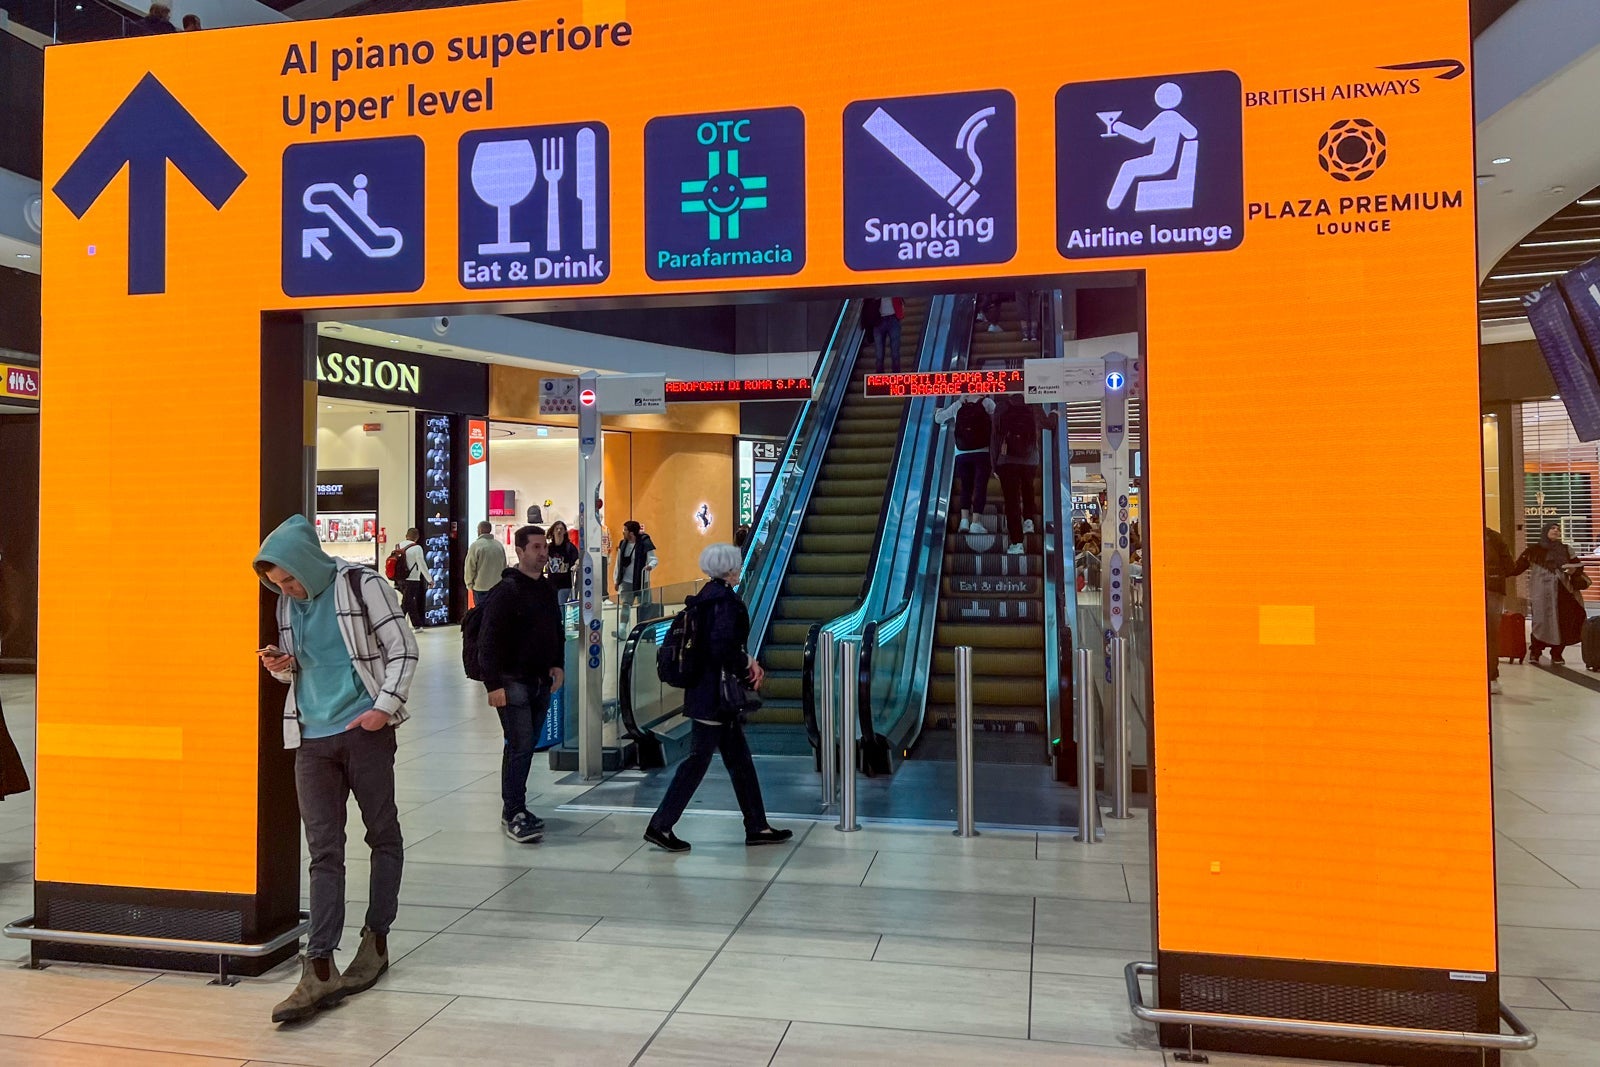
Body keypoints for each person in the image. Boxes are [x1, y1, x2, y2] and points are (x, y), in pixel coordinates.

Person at [254, 515, 417, 1024]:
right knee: (324, 851)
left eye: (290, 578)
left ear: (306, 560)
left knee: (381, 834)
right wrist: (283, 667)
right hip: (310, 737)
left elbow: (403, 649)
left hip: (363, 733)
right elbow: (305, 669)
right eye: (278, 584)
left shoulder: (360, 585)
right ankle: (319, 965)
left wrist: (382, 708)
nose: (288, 589)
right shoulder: (288, 606)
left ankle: (376, 939)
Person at [645, 543, 792, 853]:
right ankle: (661, 824)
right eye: (736, 566)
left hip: (707, 692)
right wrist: (747, 662)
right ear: (729, 569)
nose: (740, 570)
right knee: (698, 761)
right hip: (714, 696)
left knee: (739, 761)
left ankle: (757, 825)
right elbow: (720, 647)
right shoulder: (724, 602)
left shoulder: (706, 597)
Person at [478, 525, 566, 844]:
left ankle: (514, 808)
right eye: (536, 547)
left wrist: (558, 664)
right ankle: (514, 809)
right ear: (520, 551)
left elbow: (555, 628)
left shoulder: (545, 588)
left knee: (523, 746)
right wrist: (492, 686)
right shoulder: (505, 592)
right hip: (512, 681)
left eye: (545, 547)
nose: (543, 552)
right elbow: (488, 642)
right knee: (520, 745)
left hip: (540, 679)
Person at [1511, 522, 1589, 665]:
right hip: (1542, 592)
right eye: (1552, 528)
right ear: (1545, 531)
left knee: (1562, 621)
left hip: (1563, 591)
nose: (1556, 530)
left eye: (1558, 529)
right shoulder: (1533, 550)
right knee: (1540, 622)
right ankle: (1535, 651)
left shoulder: (1566, 549)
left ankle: (1557, 653)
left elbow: (1578, 567)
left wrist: (1573, 570)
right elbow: (1517, 568)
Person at [991, 395, 1051, 555]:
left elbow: (995, 437)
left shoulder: (1002, 406)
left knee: (1012, 502)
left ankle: (1017, 543)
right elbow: (1049, 424)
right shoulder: (1034, 405)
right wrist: (1055, 415)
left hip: (1007, 460)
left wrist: (994, 465)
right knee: (1028, 487)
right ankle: (1029, 520)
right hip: (1030, 459)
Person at [934, 394, 996, 533]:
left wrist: (938, 411)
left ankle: (963, 521)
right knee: (980, 486)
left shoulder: (959, 404)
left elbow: (939, 419)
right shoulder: (987, 403)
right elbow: (999, 420)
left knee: (966, 486)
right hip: (983, 451)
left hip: (962, 452)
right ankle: (976, 522)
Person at [613, 520, 659, 636]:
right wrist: (617, 580)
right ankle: (622, 629)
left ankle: (644, 631)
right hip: (626, 581)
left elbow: (654, 559)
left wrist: (650, 566)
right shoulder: (623, 544)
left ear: (631, 533)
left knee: (644, 605)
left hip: (642, 581)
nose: (623, 532)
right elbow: (618, 563)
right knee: (625, 604)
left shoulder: (644, 542)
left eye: (625, 530)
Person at [1485, 526, 1514, 693]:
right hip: (1493, 589)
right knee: (1491, 634)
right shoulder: (1495, 537)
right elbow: (1509, 567)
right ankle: (1492, 678)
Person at [463, 521, 505, 608]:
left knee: (481, 614)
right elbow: (504, 565)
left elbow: (470, 567)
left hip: (480, 588)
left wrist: (469, 584)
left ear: (480, 530)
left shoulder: (476, 546)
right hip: (497, 587)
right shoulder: (499, 545)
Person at [398, 527, 431, 632]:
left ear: (406, 535)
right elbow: (422, 565)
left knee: (410, 601)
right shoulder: (417, 548)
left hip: (399, 579)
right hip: (412, 579)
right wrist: (429, 579)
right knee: (406, 602)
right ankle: (396, 624)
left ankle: (417, 625)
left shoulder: (398, 545)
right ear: (417, 537)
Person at [545, 521, 581, 600]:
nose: (559, 531)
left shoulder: (569, 547)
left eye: (561, 529)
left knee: (560, 606)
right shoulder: (549, 547)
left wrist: (576, 565)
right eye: (556, 529)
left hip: (565, 584)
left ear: (565, 531)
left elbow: (577, 559)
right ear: (553, 531)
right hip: (551, 584)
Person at [873, 296, 905, 373]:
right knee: (879, 353)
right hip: (878, 319)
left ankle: (896, 376)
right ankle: (879, 378)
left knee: (895, 351)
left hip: (893, 318)